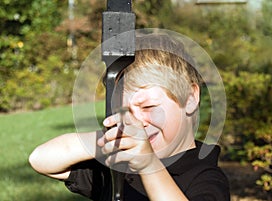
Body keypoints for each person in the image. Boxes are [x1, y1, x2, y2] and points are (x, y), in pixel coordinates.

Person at [29, 33, 230, 201]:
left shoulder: (206, 178)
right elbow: (41, 160)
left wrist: (149, 165)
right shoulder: (119, 166)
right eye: (124, 111)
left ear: (190, 98)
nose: (137, 122)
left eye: (149, 106)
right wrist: (109, 139)